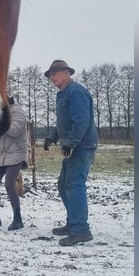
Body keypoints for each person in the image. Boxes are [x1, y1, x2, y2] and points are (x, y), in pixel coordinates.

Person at [42, 59, 98, 246]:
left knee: (74, 185)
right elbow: (63, 122)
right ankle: (73, 222)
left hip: (82, 147)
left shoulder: (76, 92)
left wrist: (72, 143)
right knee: (64, 184)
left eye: (54, 73)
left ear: (66, 73)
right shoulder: (63, 94)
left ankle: (81, 230)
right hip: (74, 147)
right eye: (50, 75)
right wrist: (52, 137)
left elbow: (81, 120)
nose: (51, 78)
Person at [0, 96, 29, 230]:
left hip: (16, 152)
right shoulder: (0, 112)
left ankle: (18, 219)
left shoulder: (17, 111)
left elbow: (15, 131)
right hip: (1, 153)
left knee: (9, 184)